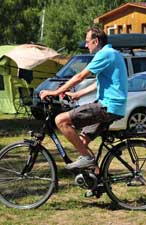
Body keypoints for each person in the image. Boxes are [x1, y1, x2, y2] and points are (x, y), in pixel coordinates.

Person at [39, 26, 128, 170]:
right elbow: (98, 84)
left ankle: (87, 159)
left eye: (87, 42)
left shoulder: (104, 54)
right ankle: (97, 179)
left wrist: (55, 92)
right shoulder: (113, 53)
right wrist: (77, 94)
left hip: (107, 106)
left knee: (60, 120)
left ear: (96, 41)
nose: (86, 45)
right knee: (82, 141)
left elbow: (80, 76)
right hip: (114, 107)